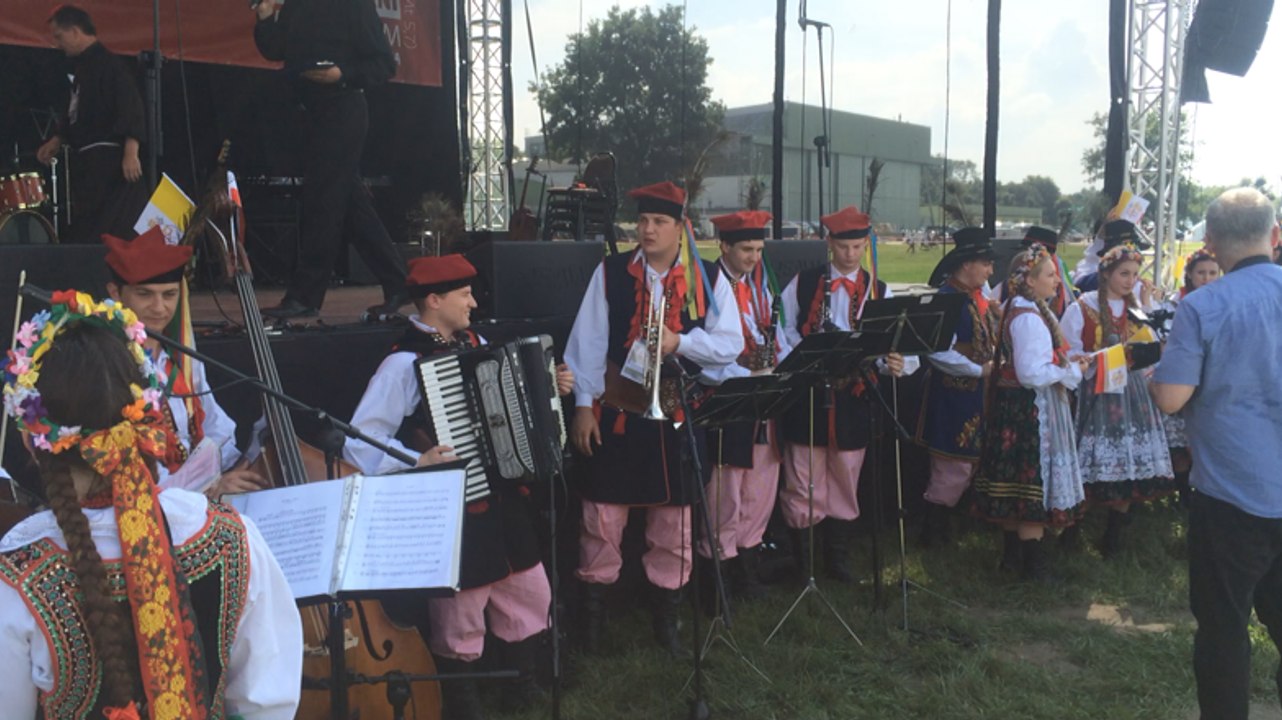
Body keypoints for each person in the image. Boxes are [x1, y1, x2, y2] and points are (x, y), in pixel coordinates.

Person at [0, 292, 302, 718]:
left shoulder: (19, 570)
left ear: (34, 441)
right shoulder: (232, 537)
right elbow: (268, 704)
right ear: (148, 417)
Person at [344, 254, 571, 718]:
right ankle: (463, 701)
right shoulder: (403, 364)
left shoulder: (476, 342)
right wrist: (417, 459)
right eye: (464, 293)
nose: (473, 301)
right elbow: (361, 440)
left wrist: (550, 385)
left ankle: (520, 685)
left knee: (529, 589)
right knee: (462, 607)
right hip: (454, 505)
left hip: (502, 494)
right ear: (434, 300)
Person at [565, 181, 742, 655]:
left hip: (677, 414)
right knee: (601, 517)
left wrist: (680, 343)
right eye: (642, 221)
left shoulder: (707, 276)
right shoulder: (610, 272)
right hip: (619, 410)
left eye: (659, 222)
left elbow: (731, 344)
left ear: (679, 226)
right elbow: (587, 345)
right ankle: (593, 626)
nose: (647, 229)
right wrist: (584, 407)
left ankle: (667, 622)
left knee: (676, 522)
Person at [1151, 187, 1282, 720]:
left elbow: (1171, 397)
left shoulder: (1202, 305)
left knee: (1225, 627)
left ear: (1209, 242)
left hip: (1232, 494)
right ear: (1275, 236)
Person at [777, 206, 916, 583]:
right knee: (803, 475)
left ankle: (836, 559)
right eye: (843, 247)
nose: (850, 255)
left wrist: (896, 363)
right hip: (808, 397)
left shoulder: (879, 290)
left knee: (845, 475)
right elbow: (783, 328)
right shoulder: (804, 284)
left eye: (857, 247)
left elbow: (897, 348)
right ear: (829, 244)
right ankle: (803, 562)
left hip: (854, 399)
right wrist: (804, 353)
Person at [252, 0, 407, 319]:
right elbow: (277, 48)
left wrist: (342, 75)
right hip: (307, 113)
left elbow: (383, 64)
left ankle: (305, 296)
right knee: (350, 204)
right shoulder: (296, 6)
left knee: (322, 203)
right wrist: (265, 17)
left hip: (343, 108)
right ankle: (398, 282)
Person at [102, 227, 267, 497]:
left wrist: (235, 469)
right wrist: (207, 487)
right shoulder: (106, 359)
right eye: (145, 294)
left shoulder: (180, 356)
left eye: (169, 295)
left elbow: (216, 426)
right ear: (116, 292)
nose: (159, 308)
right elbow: (126, 466)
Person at [970, 244, 1089, 581]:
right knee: (1028, 485)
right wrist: (1069, 373)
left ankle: (1012, 558)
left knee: (1013, 484)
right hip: (1027, 411)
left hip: (1015, 408)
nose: (1057, 281)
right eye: (1051, 275)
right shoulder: (1029, 319)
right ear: (1030, 281)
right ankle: (1034, 567)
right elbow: (1031, 373)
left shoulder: (1021, 308)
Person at [696, 210, 790, 605]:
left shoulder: (762, 286)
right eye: (747, 249)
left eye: (759, 249)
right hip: (728, 399)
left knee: (760, 489)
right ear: (724, 247)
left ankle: (747, 571)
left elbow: (777, 334)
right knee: (726, 492)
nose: (754, 257)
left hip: (763, 399)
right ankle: (716, 577)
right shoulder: (708, 285)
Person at [1060, 244, 1173, 555]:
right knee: (1087, 458)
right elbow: (1067, 350)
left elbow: (1150, 349)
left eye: (1134, 275)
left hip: (1131, 393)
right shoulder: (1082, 307)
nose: (1129, 280)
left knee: (1126, 459)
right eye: (1124, 274)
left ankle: (1114, 532)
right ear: (1106, 273)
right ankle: (1073, 526)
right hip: (1096, 391)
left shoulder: (1137, 310)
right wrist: (1094, 359)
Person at [35, 5, 149, 245]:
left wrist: (131, 151)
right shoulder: (81, 70)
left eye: (59, 36)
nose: (57, 43)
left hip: (108, 159)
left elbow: (131, 106)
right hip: (88, 160)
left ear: (75, 32)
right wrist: (58, 139)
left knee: (109, 224)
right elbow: (76, 111)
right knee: (89, 222)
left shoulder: (110, 65)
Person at [916, 227, 1000, 546]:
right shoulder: (947, 300)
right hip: (952, 393)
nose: (991, 271)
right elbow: (937, 351)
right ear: (967, 265)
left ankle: (949, 525)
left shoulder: (975, 298)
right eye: (986, 264)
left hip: (973, 393)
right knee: (951, 463)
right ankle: (933, 530)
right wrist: (978, 370)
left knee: (966, 460)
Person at [1157, 248, 1220, 506]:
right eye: (1201, 273)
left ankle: (1205, 494)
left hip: (1211, 382)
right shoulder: (1176, 305)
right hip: (1182, 379)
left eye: (1213, 273)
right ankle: (1182, 494)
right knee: (1180, 443)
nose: (1207, 278)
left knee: (1203, 444)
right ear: (1190, 275)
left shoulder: (1223, 302)